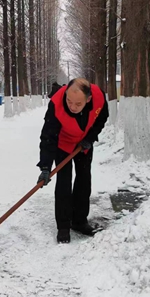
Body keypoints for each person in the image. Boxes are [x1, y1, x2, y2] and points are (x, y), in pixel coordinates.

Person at [37, 78, 109, 244]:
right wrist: (46, 167)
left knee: (84, 180)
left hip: (83, 144)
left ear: (88, 99)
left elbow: (101, 118)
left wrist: (90, 138)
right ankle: (63, 226)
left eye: (78, 104)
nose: (72, 107)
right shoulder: (56, 104)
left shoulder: (98, 97)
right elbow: (48, 137)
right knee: (64, 182)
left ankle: (79, 221)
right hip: (63, 144)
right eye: (69, 101)